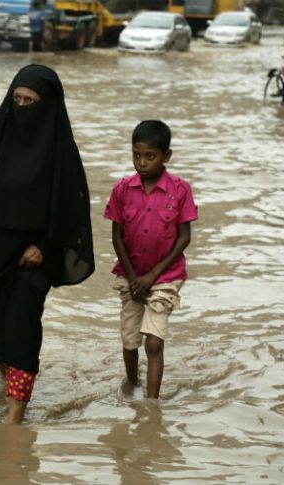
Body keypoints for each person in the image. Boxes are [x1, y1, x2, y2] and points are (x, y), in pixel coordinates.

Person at [0, 64, 94, 424]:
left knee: (22, 330)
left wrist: (44, 244)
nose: (22, 106)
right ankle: (8, 382)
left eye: (31, 101)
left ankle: (14, 420)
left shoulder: (59, 152)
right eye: (17, 99)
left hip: (34, 259)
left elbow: (70, 206)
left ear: (48, 106)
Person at [103, 120, 197, 399]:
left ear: (166, 156)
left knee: (154, 343)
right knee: (130, 340)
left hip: (166, 276)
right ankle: (132, 384)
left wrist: (152, 276)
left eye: (150, 156)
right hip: (130, 275)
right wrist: (133, 278)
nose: (142, 162)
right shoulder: (122, 189)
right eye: (136, 155)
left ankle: (151, 407)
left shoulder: (180, 190)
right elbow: (117, 236)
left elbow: (184, 238)